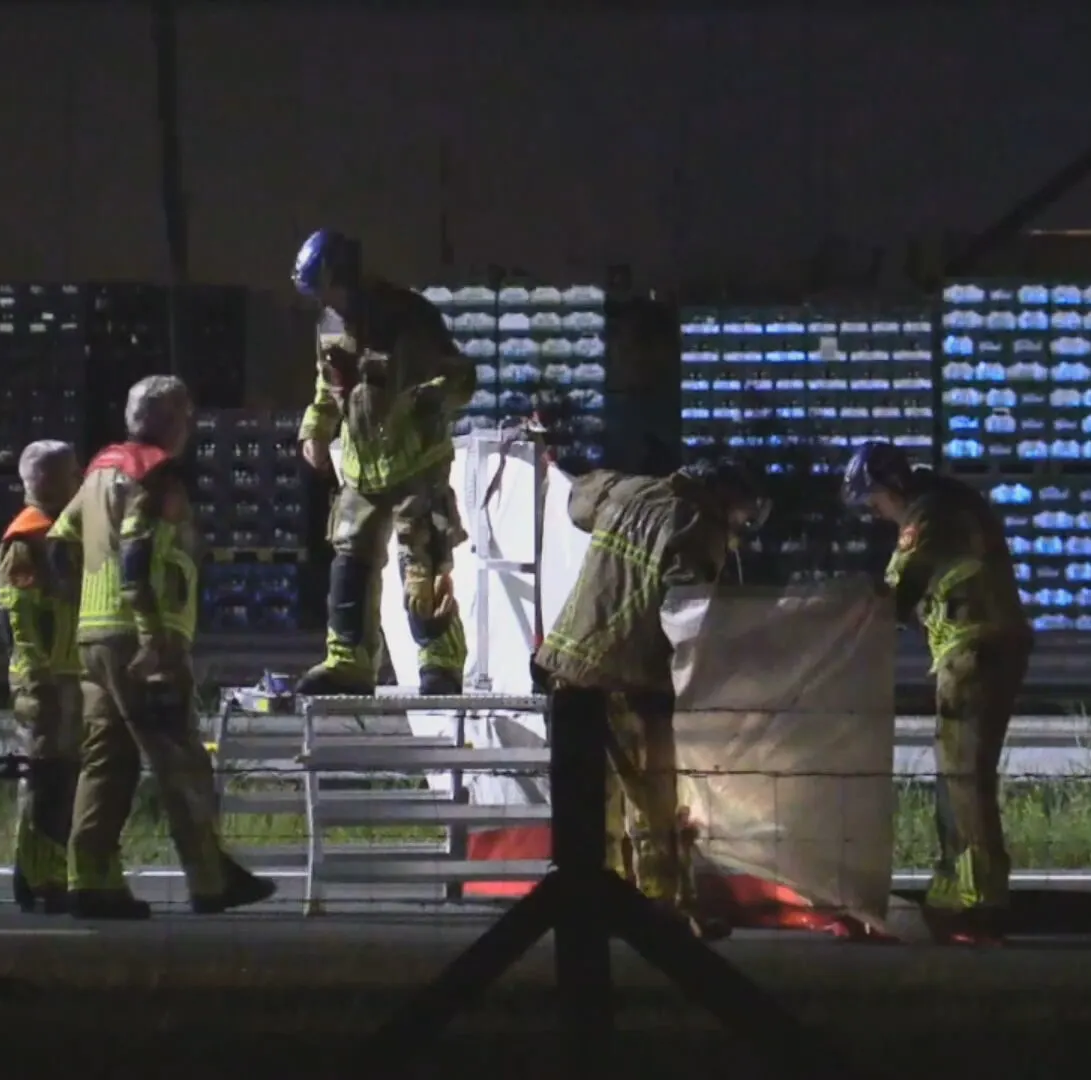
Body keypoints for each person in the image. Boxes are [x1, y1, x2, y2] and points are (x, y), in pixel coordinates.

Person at [48, 375, 275, 919]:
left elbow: (59, 540)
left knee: (107, 762)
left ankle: (91, 877)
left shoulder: (101, 469)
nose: (191, 427)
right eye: (187, 416)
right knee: (180, 761)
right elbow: (136, 551)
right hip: (143, 642)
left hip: (95, 639)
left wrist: (80, 606)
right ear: (172, 421)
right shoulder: (155, 476)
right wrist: (153, 637)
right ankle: (210, 880)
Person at [534, 458, 771, 940]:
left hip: (567, 669)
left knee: (591, 801)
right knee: (652, 800)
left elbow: (579, 499)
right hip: (630, 678)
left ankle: (593, 904)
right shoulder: (698, 531)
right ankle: (657, 911)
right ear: (724, 502)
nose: (741, 530)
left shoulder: (630, 490)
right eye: (743, 518)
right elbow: (688, 622)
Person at [842, 440, 1033, 944]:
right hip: (980, 649)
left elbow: (896, 590)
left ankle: (979, 904)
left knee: (964, 778)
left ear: (890, 487)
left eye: (874, 502)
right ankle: (955, 896)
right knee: (956, 775)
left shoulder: (928, 515)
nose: (876, 514)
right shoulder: (947, 501)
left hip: (975, 651)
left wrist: (839, 627)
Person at [290, 229, 476, 697]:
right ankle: (348, 663)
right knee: (349, 559)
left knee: (423, 561)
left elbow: (460, 376)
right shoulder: (330, 325)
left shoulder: (409, 316)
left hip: (416, 461)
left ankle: (440, 665)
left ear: (342, 275)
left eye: (323, 288)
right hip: (361, 466)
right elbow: (325, 387)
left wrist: (429, 400)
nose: (321, 302)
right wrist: (315, 429)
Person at [0, 439, 83, 915]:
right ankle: (39, 879)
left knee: (58, 778)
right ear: (50, 481)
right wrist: (41, 680)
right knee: (48, 778)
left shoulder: (57, 534)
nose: (81, 480)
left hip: (64, 675)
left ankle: (42, 875)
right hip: (47, 680)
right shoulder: (29, 541)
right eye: (73, 473)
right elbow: (20, 620)